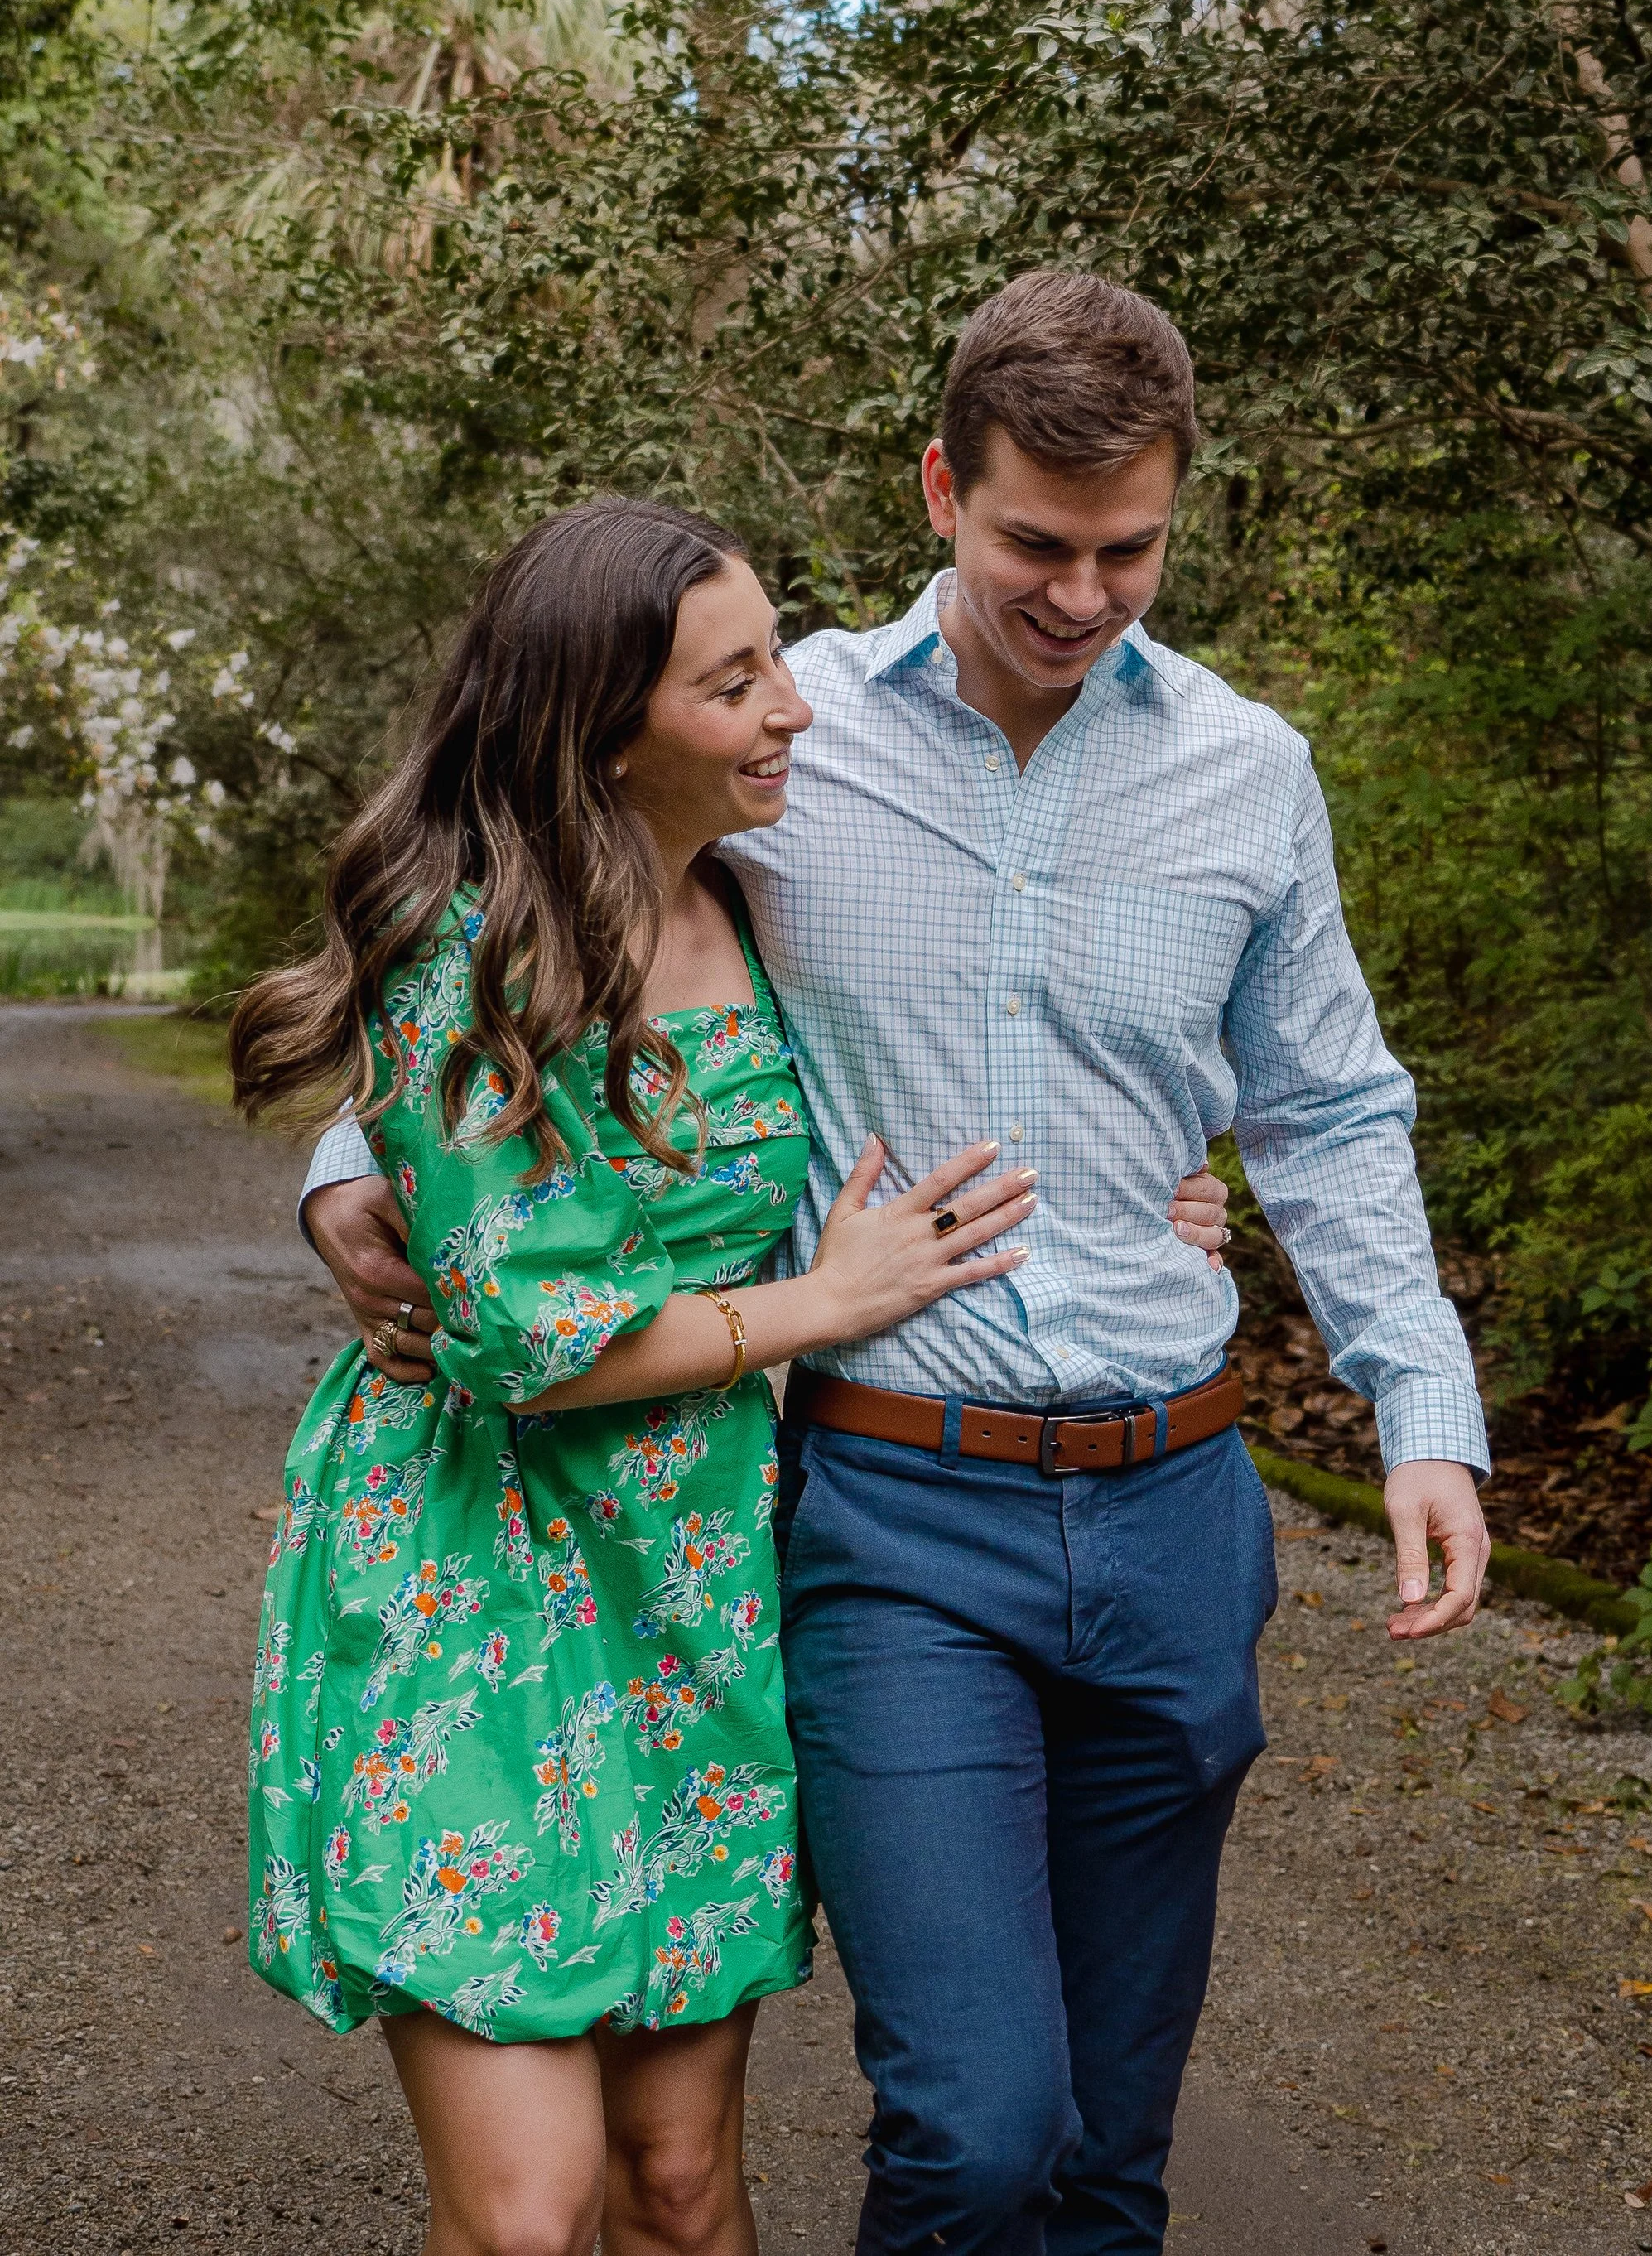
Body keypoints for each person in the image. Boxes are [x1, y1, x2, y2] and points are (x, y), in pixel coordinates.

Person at [304, 269, 1492, 2256]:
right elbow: (537, 914)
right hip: (889, 1507)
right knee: (973, 2122)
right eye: (1036, 539)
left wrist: (1418, 1407)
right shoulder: (775, 738)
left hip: (1181, 1501)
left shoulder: (1246, 771)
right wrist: (354, 1165)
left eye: (1130, 548)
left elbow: (1325, 1113)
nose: (1081, 592)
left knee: (1109, 2155)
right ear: (942, 487)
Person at [230, 500, 1044, 2256]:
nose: (794, 712)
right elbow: (535, 1343)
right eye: (735, 684)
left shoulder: (760, 904)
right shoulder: (470, 952)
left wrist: (1174, 1202)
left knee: (680, 2189)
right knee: (531, 2214)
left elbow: (987, 1049)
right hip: (470, 1580)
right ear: (603, 726)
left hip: (687, 1593)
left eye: (777, 664)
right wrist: (824, 1309)